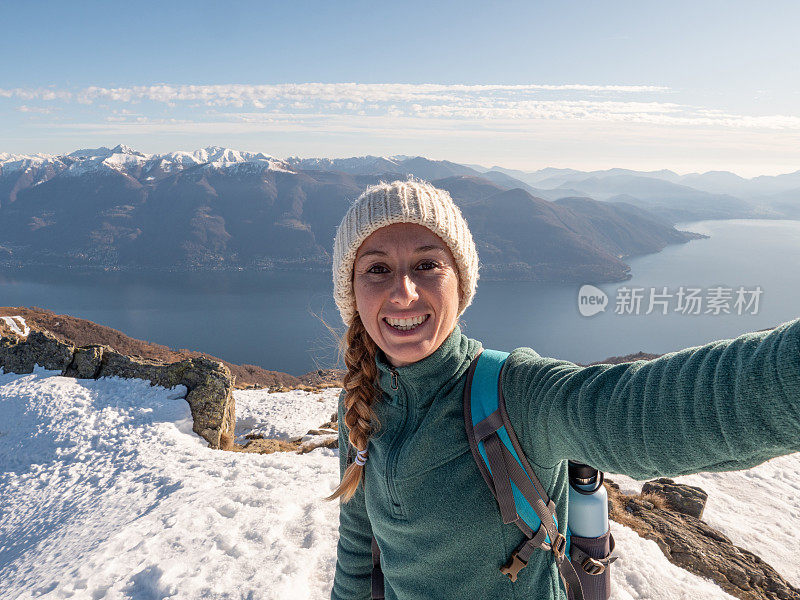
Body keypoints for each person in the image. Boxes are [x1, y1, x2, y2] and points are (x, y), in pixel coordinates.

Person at [324, 177, 800, 600]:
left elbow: (647, 412)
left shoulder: (513, 394)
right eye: (378, 269)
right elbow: (358, 550)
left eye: (428, 265)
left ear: (460, 282)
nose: (403, 292)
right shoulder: (360, 404)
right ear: (352, 290)